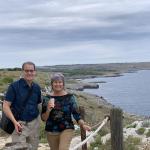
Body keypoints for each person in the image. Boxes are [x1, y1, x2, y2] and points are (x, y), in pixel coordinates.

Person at [41, 73, 91, 150]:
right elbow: (44, 118)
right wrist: (48, 109)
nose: (58, 84)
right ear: (52, 84)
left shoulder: (70, 97)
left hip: (67, 128)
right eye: (55, 82)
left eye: (60, 82)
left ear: (63, 84)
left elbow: (76, 115)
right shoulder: (47, 98)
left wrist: (83, 125)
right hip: (51, 131)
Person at [3, 61, 41, 150]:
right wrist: (15, 122)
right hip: (19, 125)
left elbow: (38, 104)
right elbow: (5, 106)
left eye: (31, 71)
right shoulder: (14, 87)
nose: (29, 73)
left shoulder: (37, 87)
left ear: (35, 72)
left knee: (33, 148)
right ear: (22, 71)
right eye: (26, 71)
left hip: (34, 125)